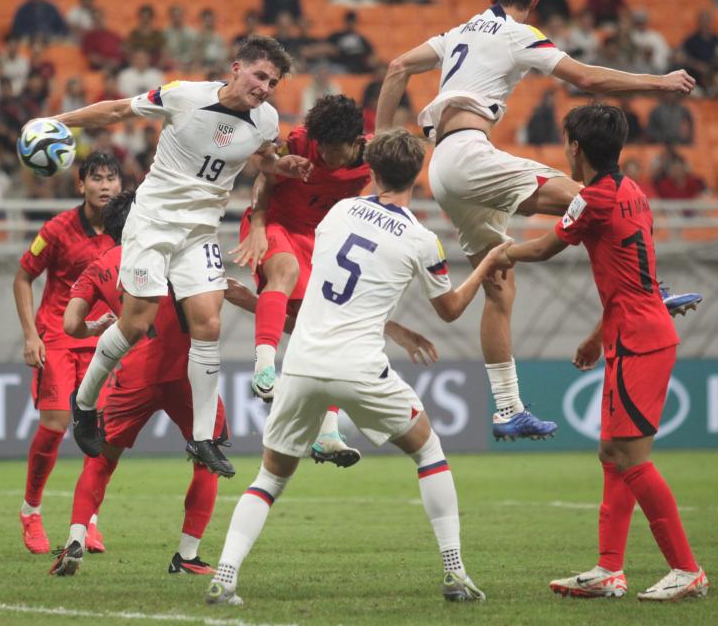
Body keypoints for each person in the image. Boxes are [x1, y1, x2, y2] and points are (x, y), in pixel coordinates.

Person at [375, 0, 697, 442]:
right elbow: (585, 79)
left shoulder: (459, 31)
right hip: (469, 154)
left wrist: (382, 140)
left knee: (500, 289)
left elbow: (397, 66)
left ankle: (507, 408)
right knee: (594, 195)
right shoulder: (517, 33)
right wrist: (659, 83)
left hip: (443, 166)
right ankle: (652, 291)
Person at [205, 129, 500, 607]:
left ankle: (224, 576)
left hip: (300, 362)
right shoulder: (423, 240)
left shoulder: (337, 214)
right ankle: (455, 573)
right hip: (360, 366)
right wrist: (487, 264)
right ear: (417, 175)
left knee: (270, 478)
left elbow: (332, 288)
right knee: (429, 453)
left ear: (373, 172)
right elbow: (449, 310)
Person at [49, 36, 307, 479]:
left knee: (208, 322)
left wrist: (283, 166)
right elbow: (115, 110)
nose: (265, 87)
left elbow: (264, 157)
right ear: (236, 68)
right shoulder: (183, 96)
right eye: (260, 76)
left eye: (273, 82)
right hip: (152, 223)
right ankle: (86, 403)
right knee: (133, 324)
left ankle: (203, 437)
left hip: (201, 230)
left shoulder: (265, 120)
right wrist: (56, 121)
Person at [487, 104, 707, 602]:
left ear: (576, 148)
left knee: (632, 459)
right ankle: (609, 569)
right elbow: (631, 280)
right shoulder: (633, 192)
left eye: (567, 142)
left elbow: (544, 248)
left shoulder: (594, 198)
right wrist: (595, 336)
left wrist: (501, 252)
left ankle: (687, 569)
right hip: (631, 328)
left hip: (639, 339)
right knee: (612, 454)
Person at [48, 191, 228, 576]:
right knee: (207, 459)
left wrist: (94, 327)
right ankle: (188, 556)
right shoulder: (178, 252)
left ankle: (76, 539)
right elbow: (223, 296)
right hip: (186, 374)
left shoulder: (100, 265)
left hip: (133, 376)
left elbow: (70, 324)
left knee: (100, 459)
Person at [235, 95, 371, 464]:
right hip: (273, 223)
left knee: (321, 331)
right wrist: (260, 221)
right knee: (285, 272)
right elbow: (262, 171)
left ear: (357, 142)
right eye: (322, 148)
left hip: (317, 239)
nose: (325, 157)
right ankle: (264, 366)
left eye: (334, 150)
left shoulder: (372, 161)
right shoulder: (298, 140)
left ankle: (327, 434)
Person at [12, 152, 122, 555]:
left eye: (112, 178)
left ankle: (88, 521)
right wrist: (30, 336)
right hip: (58, 335)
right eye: (97, 178)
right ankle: (31, 512)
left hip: (105, 342)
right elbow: (23, 277)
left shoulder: (126, 229)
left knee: (103, 437)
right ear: (81, 185)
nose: (105, 185)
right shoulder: (57, 229)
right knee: (57, 424)